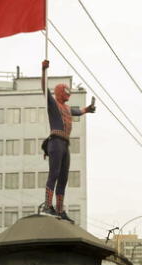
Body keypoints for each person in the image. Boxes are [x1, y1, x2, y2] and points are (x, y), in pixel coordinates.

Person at [40, 59, 96, 223]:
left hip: (65, 144)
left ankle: (59, 208)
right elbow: (44, 89)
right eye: (65, 91)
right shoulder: (53, 104)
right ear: (59, 92)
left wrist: (87, 109)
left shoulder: (66, 108)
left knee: (63, 177)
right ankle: (48, 206)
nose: (68, 93)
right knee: (54, 173)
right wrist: (43, 70)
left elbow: (77, 111)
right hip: (56, 141)